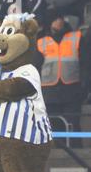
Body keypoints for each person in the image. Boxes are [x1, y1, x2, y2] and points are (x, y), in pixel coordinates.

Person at [37, 11, 86, 148]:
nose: (58, 21)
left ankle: (77, 158)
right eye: (55, 19)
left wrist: (84, 87)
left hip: (72, 89)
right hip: (49, 91)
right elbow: (35, 66)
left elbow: (86, 64)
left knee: (73, 124)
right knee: (54, 126)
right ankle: (57, 157)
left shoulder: (76, 37)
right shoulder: (41, 42)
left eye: (60, 19)